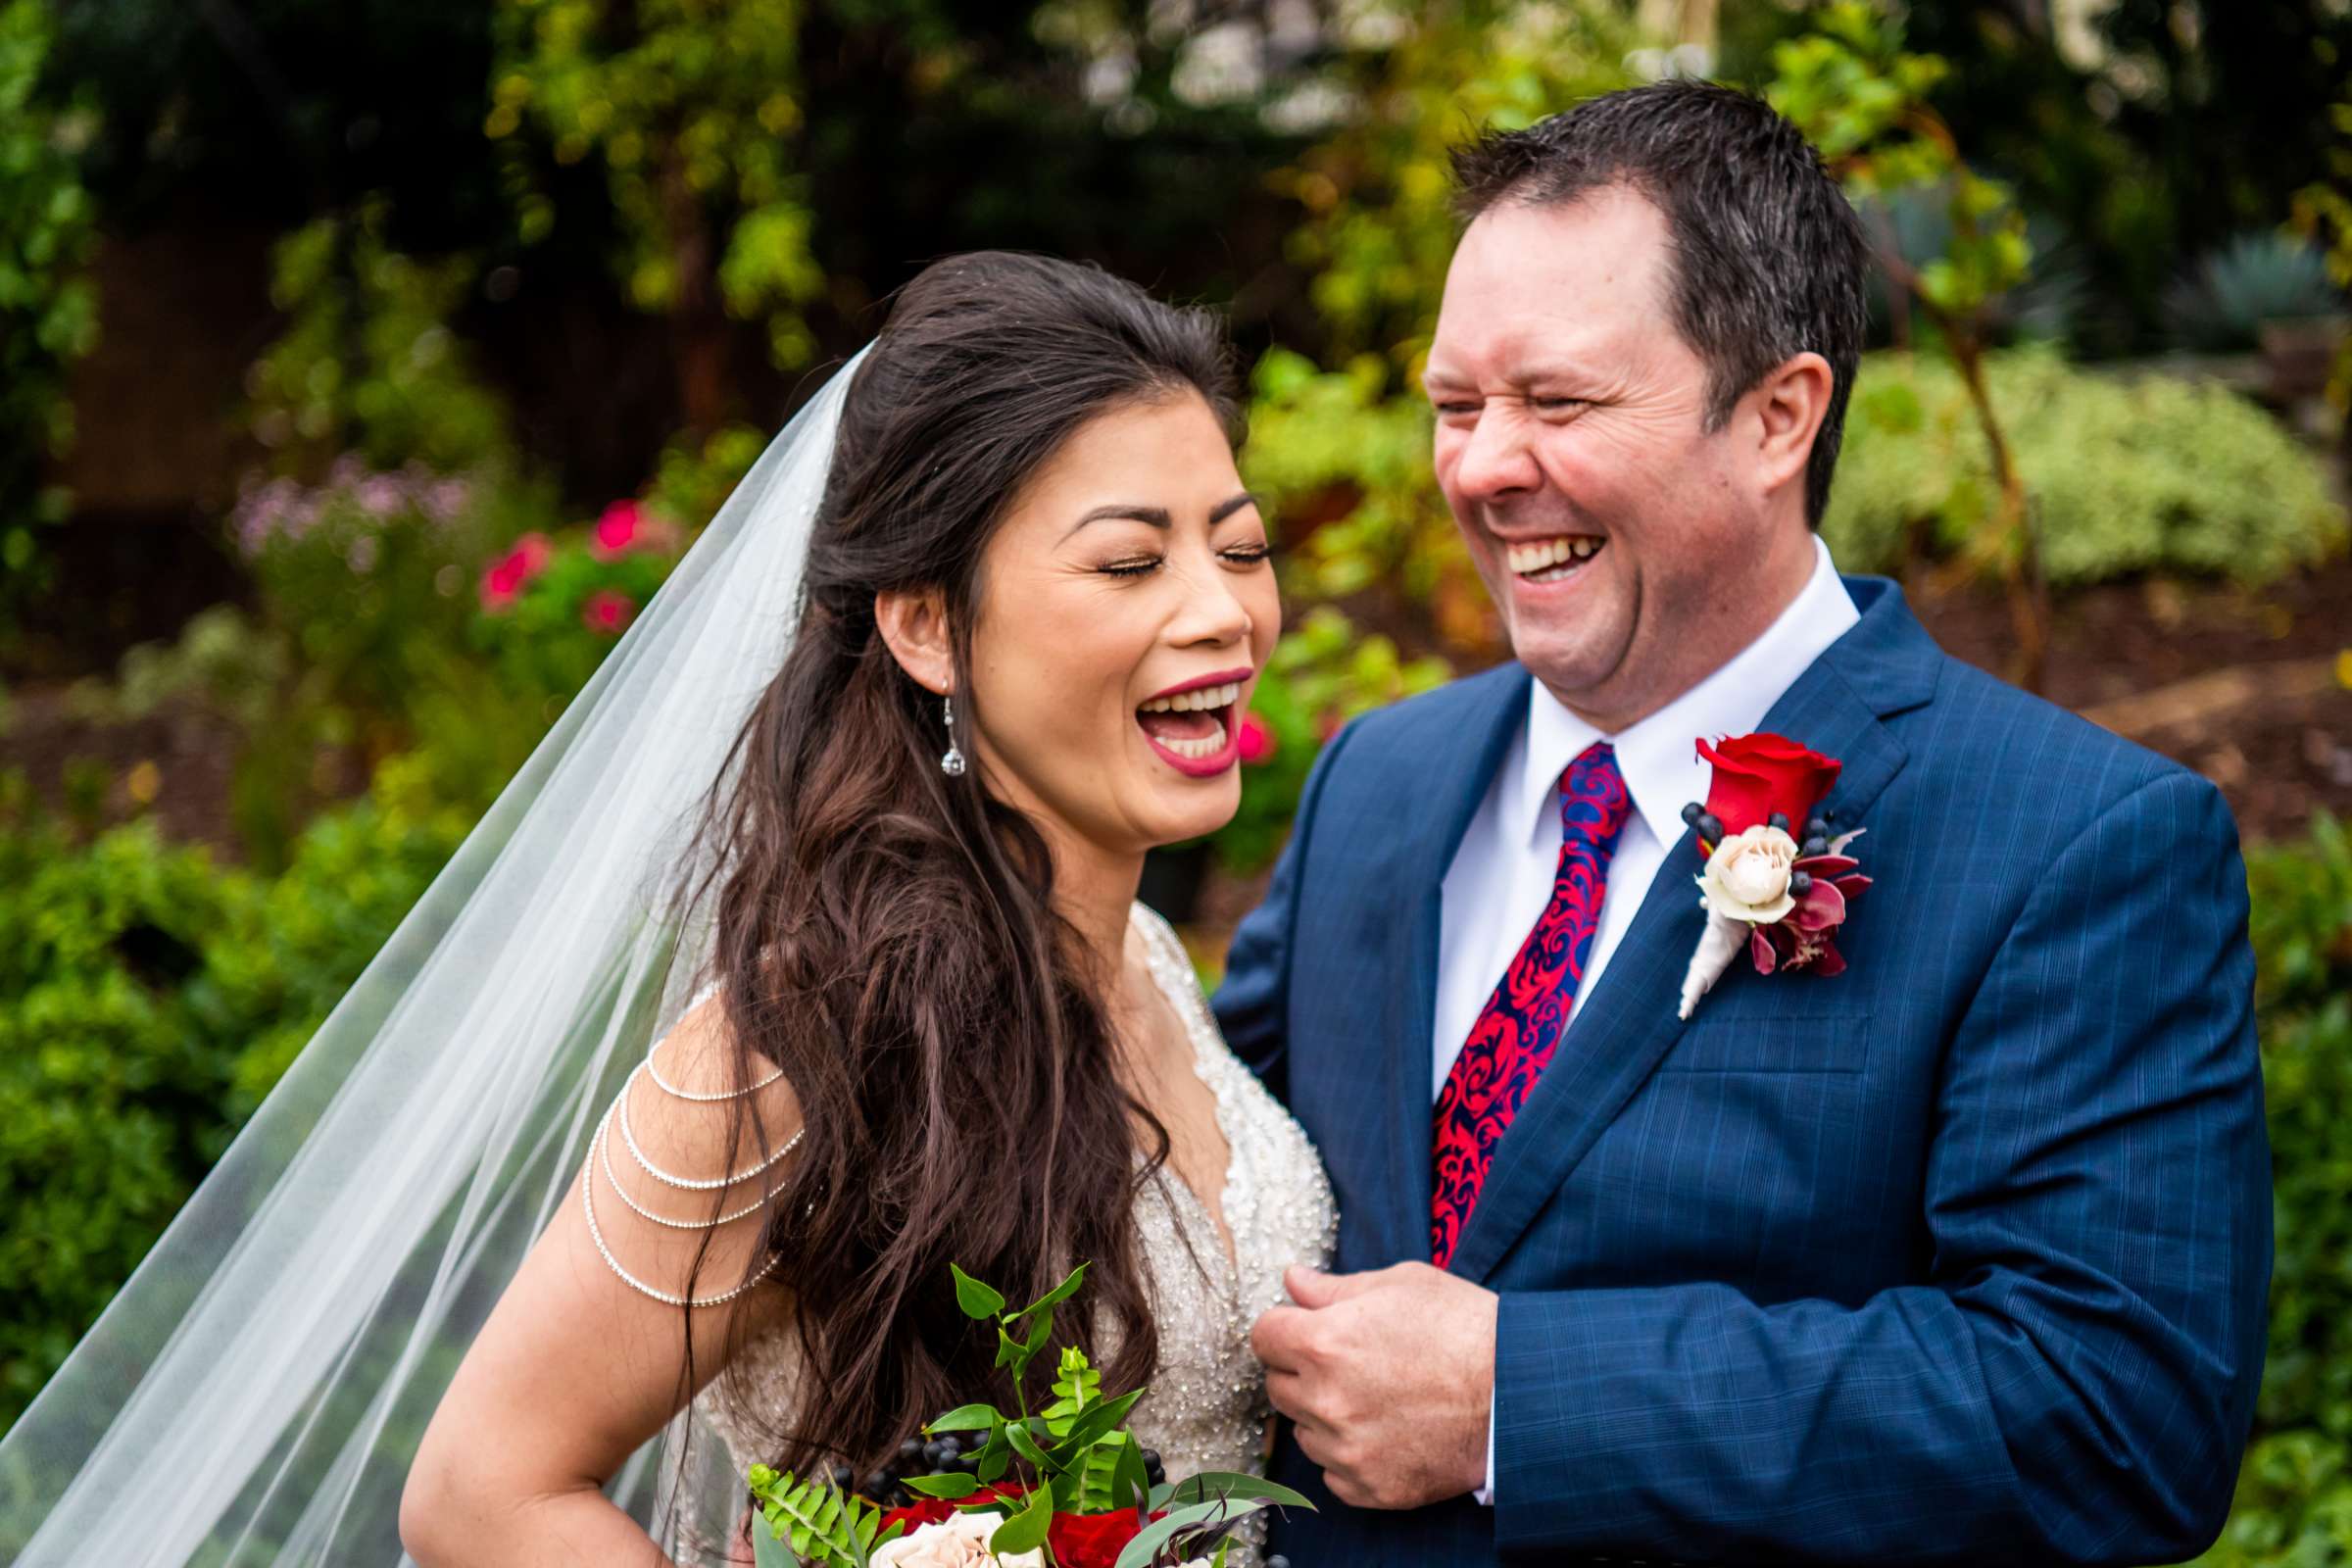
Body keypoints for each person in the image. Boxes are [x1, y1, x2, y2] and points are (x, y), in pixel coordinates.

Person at [0, 253, 1331, 1568]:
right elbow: (479, 1493)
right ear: (928, 623)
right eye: (1129, 565)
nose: (1222, 612)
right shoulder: (800, 1046)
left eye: (1240, 548)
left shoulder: (1151, 958)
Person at [1218, 80, 2272, 1565]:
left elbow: (2114, 1414)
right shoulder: (1378, 780)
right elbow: (1188, 1155)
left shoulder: (2077, 843)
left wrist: (1520, 1402)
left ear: (1780, 415)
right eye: (1456, 407)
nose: (1481, 467)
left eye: (1559, 401)